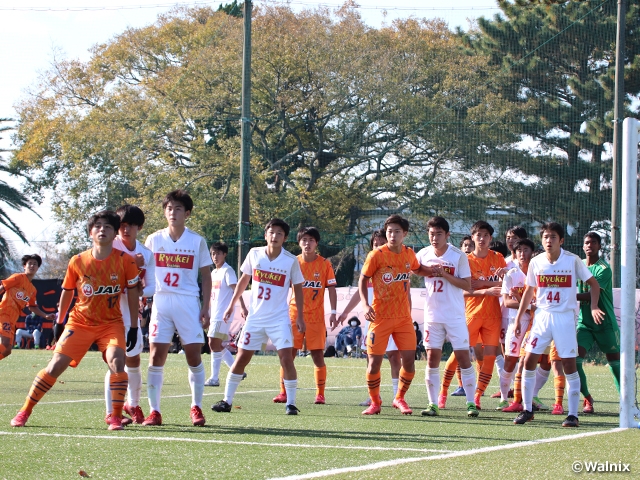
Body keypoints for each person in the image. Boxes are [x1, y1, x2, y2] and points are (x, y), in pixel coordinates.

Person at [10, 211, 140, 430]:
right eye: (98, 226)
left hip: (111, 324)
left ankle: (115, 417)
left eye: (108, 226)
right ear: (90, 232)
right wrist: (59, 321)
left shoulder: (125, 260)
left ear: (114, 232)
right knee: (54, 366)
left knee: (118, 362)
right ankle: (24, 411)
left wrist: (134, 327)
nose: (102, 230)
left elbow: (134, 292)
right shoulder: (78, 261)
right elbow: (68, 292)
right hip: (79, 323)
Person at [513, 222, 603, 428]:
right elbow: (529, 291)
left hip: (564, 318)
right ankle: (527, 409)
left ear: (561, 240)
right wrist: (519, 318)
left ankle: (572, 414)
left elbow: (594, 284)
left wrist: (594, 306)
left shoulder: (572, 260)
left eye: (553, 237)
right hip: (542, 317)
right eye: (545, 237)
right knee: (528, 361)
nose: (548, 241)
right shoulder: (536, 262)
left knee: (569, 364)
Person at [212, 218, 305, 415]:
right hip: (255, 318)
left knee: (286, 359)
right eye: (271, 232)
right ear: (265, 235)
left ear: (285, 238)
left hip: (279, 319)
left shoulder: (290, 261)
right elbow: (244, 280)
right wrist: (231, 305)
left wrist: (300, 317)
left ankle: (291, 403)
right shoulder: (254, 254)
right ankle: (227, 401)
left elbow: (298, 288)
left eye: (280, 233)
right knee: (241, 358)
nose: (275, 236)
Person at [143, 190, 212, 427]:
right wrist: (142, 296)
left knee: (194, 356)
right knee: (155, 356)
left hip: (187, 301)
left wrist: (206, 306)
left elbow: (206, 276)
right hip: (161, 301)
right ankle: (154, 411)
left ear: (188, 213)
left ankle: (196, 406)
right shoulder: (153, 239)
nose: (173, 213)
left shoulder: (197, 241)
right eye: (169, 208)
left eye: (178, 209)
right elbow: (143, 271)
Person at [359, 214, 426, 415]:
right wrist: (364, 305)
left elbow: (418, 268)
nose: (392, 235)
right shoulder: (376, 255)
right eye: (389, 231)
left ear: (404, 234)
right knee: (374, 364)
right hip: (380, 317)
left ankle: (399, 398)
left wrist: (433, 270)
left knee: (409, 363)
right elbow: (363, 280)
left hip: (404, 318)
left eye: (397, 231)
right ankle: (375, 403)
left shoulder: (408, 253)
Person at [439, 221, 506, 410]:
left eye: (486, 235)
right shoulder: (465, 260)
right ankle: (442, 393)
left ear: (490, 238)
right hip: (470, 314)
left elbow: (502, 286)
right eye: (479, 235)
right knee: (457, 355)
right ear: (473, 237)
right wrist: (486, 289)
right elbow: (462, 290)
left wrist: (481, 284)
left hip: (493, 316)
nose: (482, 239)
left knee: (490, 357)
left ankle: (477, 396)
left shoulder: (498, 258)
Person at [417, 216, 478, 418]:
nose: (434, 238)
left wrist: (445, 274)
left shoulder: (458, 256)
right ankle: (432, 404)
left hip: (455, 316)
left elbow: (467, 285)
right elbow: (414, 270)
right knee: (432, 358)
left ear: (447, 235)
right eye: (432, 234)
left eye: (439, 234)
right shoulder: (423, 254)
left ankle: (471, 403)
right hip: (433, 315)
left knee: (463, 358)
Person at [102, 205, 156, 425]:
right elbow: (104, 280)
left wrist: (141, 291)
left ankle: (132, 404)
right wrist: (133, 266)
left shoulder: (147, 253)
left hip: (132, 316)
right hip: (110, 315)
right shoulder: (108, 247)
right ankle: (111, 412)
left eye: (131, 225)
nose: (126, 230)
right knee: (116, 363)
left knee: (134, 362)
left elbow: (153, 285)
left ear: (139, 227)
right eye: (122, 225)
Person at [337, 230, 403, 407]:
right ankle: (374, 396)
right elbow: (360, 292)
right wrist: (345, 312)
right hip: (374, 320)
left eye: (382, 242)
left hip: (394, 317)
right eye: (376, 243)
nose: (379, 246)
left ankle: (398, 396)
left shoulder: (395, 262)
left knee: (395, 356)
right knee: (372, 359)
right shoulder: (370, 264)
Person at [272, 227, 337, 405]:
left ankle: (320, 394)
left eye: (311, 240)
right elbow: (282, 286)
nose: (307, 243)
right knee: (288, 355)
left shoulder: (325, 264)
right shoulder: (292, 262)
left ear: (316, 243)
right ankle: (283, 392)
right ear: (299, 242)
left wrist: (333, 311)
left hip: (316, 318)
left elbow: (331, 288)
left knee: (317, 356)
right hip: (294, 315)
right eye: (304, 240)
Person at [576, 231, 621, 414]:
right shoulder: (578, 266)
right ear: (583, 245)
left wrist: (568, 295)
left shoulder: (603, 269)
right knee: (574, 360)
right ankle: (587, 398)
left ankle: (627, 401)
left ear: (599, 246)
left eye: (593, 242)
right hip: (585, 322)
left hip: (604, 322)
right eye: (587, 242)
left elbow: (592, 293)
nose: (589, 245)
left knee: (614, 362)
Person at [498, 238, 535, 412]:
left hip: (535, 323)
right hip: (516, 323)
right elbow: (506, 301)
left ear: (532, 253)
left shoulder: (538, 273)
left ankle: (525, 399)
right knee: (510, 360)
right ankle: (505, 398)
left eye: (525, 250)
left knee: (529, 361)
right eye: (519, 250)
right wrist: (528, 305)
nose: (522, 253)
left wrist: (521, 301)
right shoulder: (511, 274)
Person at [206, 242, 248, 387]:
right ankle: (237, 371)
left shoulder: (227, 270)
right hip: (215, 313)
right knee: (218, 344)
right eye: (213, 254)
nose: (215, 256)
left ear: (224, 254)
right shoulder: (213, 273)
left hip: (223, 314)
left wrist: (242, 307)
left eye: (218, 253)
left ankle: (214, 378)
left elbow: (237, 290)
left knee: (213, 343)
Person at [0, 254, 55, 361]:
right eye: (30, 263)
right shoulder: (18, 277)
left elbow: (32, 307)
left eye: (35, 264)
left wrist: (46, 315)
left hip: (13, 318)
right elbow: (2, 287)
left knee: (7, 350)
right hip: (4, 312)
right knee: (5, 343)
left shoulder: (32, 290)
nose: (32, 266)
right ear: (24, 266)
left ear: (38, 268)